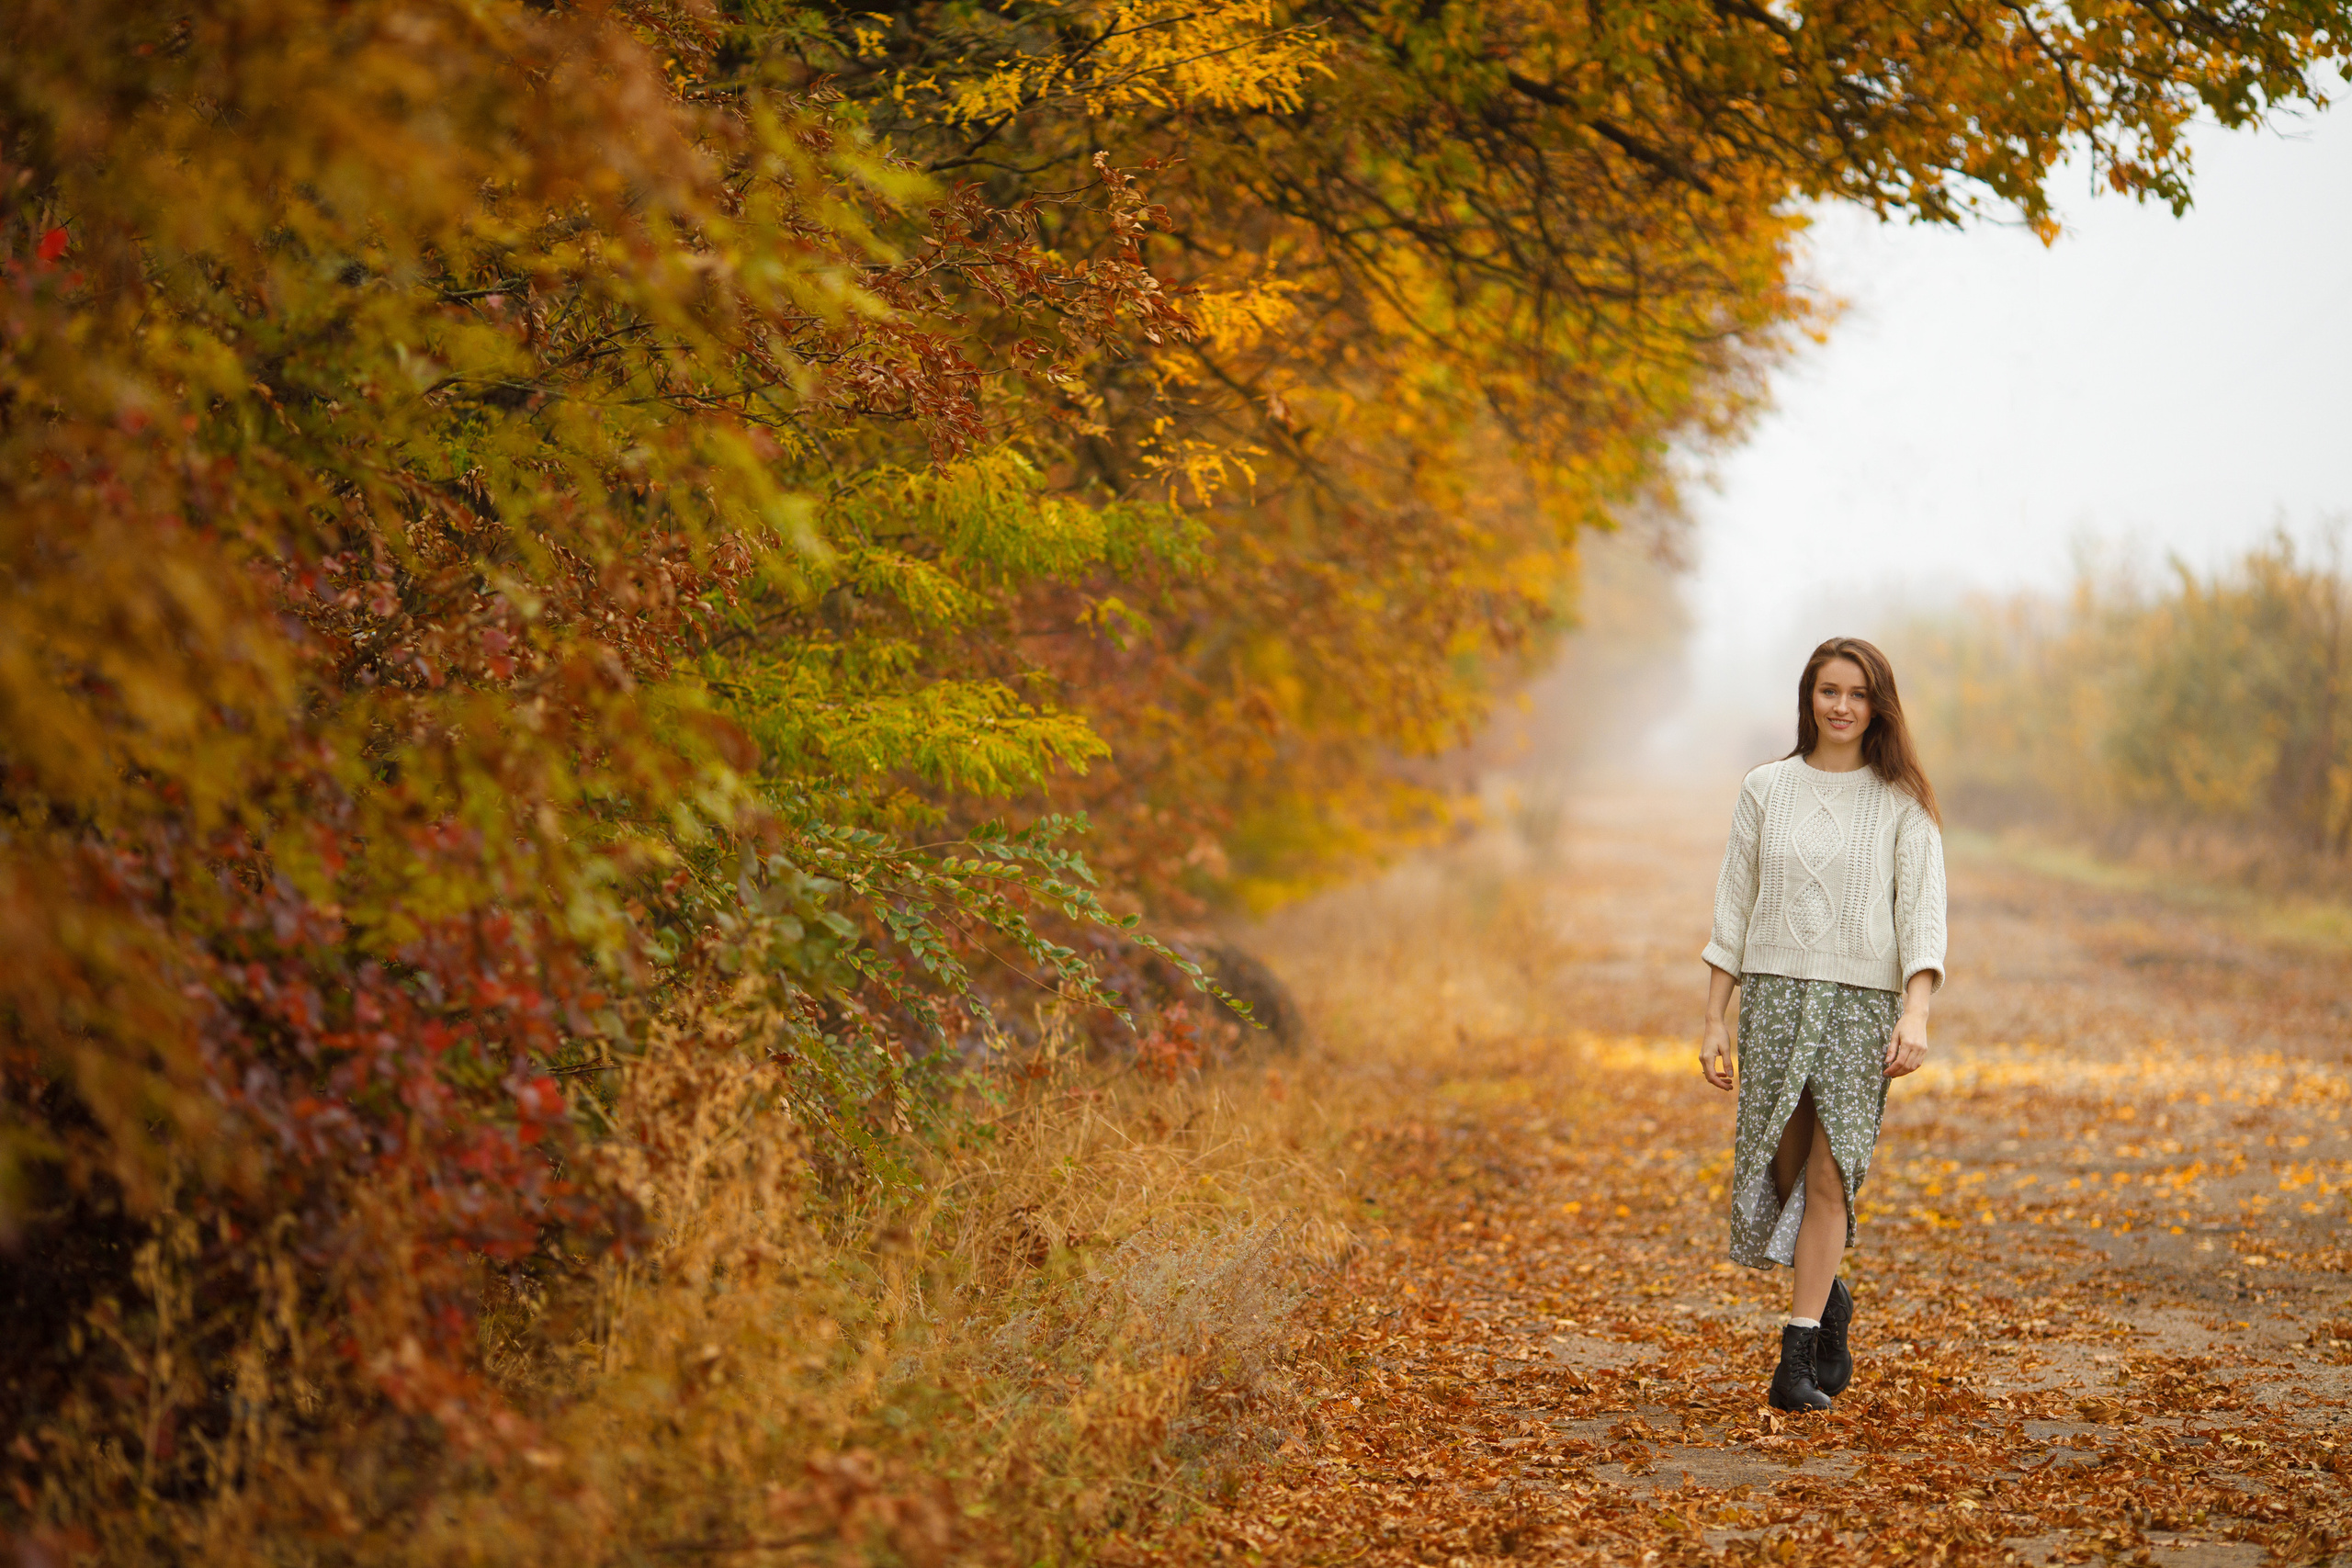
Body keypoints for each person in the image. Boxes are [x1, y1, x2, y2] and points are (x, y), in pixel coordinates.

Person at [1698, 637, 1947, 1411]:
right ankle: (1831, 1292)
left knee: (1832, 1171)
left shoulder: (1902, 802)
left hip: (1859, 1005)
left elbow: (1924, 915)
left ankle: (1795, 1354)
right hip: (1773, 994)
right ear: (1809, 697)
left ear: (1878, 706)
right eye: (1829, 690)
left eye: (1858, 693)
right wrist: (1715, 1017)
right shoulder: (1766, 789)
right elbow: (1732, 904)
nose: (1842, 705)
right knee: (1782, 1164)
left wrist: (1917, 1010)